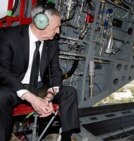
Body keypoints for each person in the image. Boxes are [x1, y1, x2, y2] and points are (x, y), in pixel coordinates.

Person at [0, 3, 80, 141]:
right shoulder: (8, 36)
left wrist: (49, 95)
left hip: (39, 86)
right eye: (56, 27)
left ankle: (66, 137)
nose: (58, 32)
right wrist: (31, 98)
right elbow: (3, 71)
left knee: (70, 92)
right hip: (15, 87)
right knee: (0, 96)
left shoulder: (52, 43)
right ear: (40, 23)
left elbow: (56, 71)